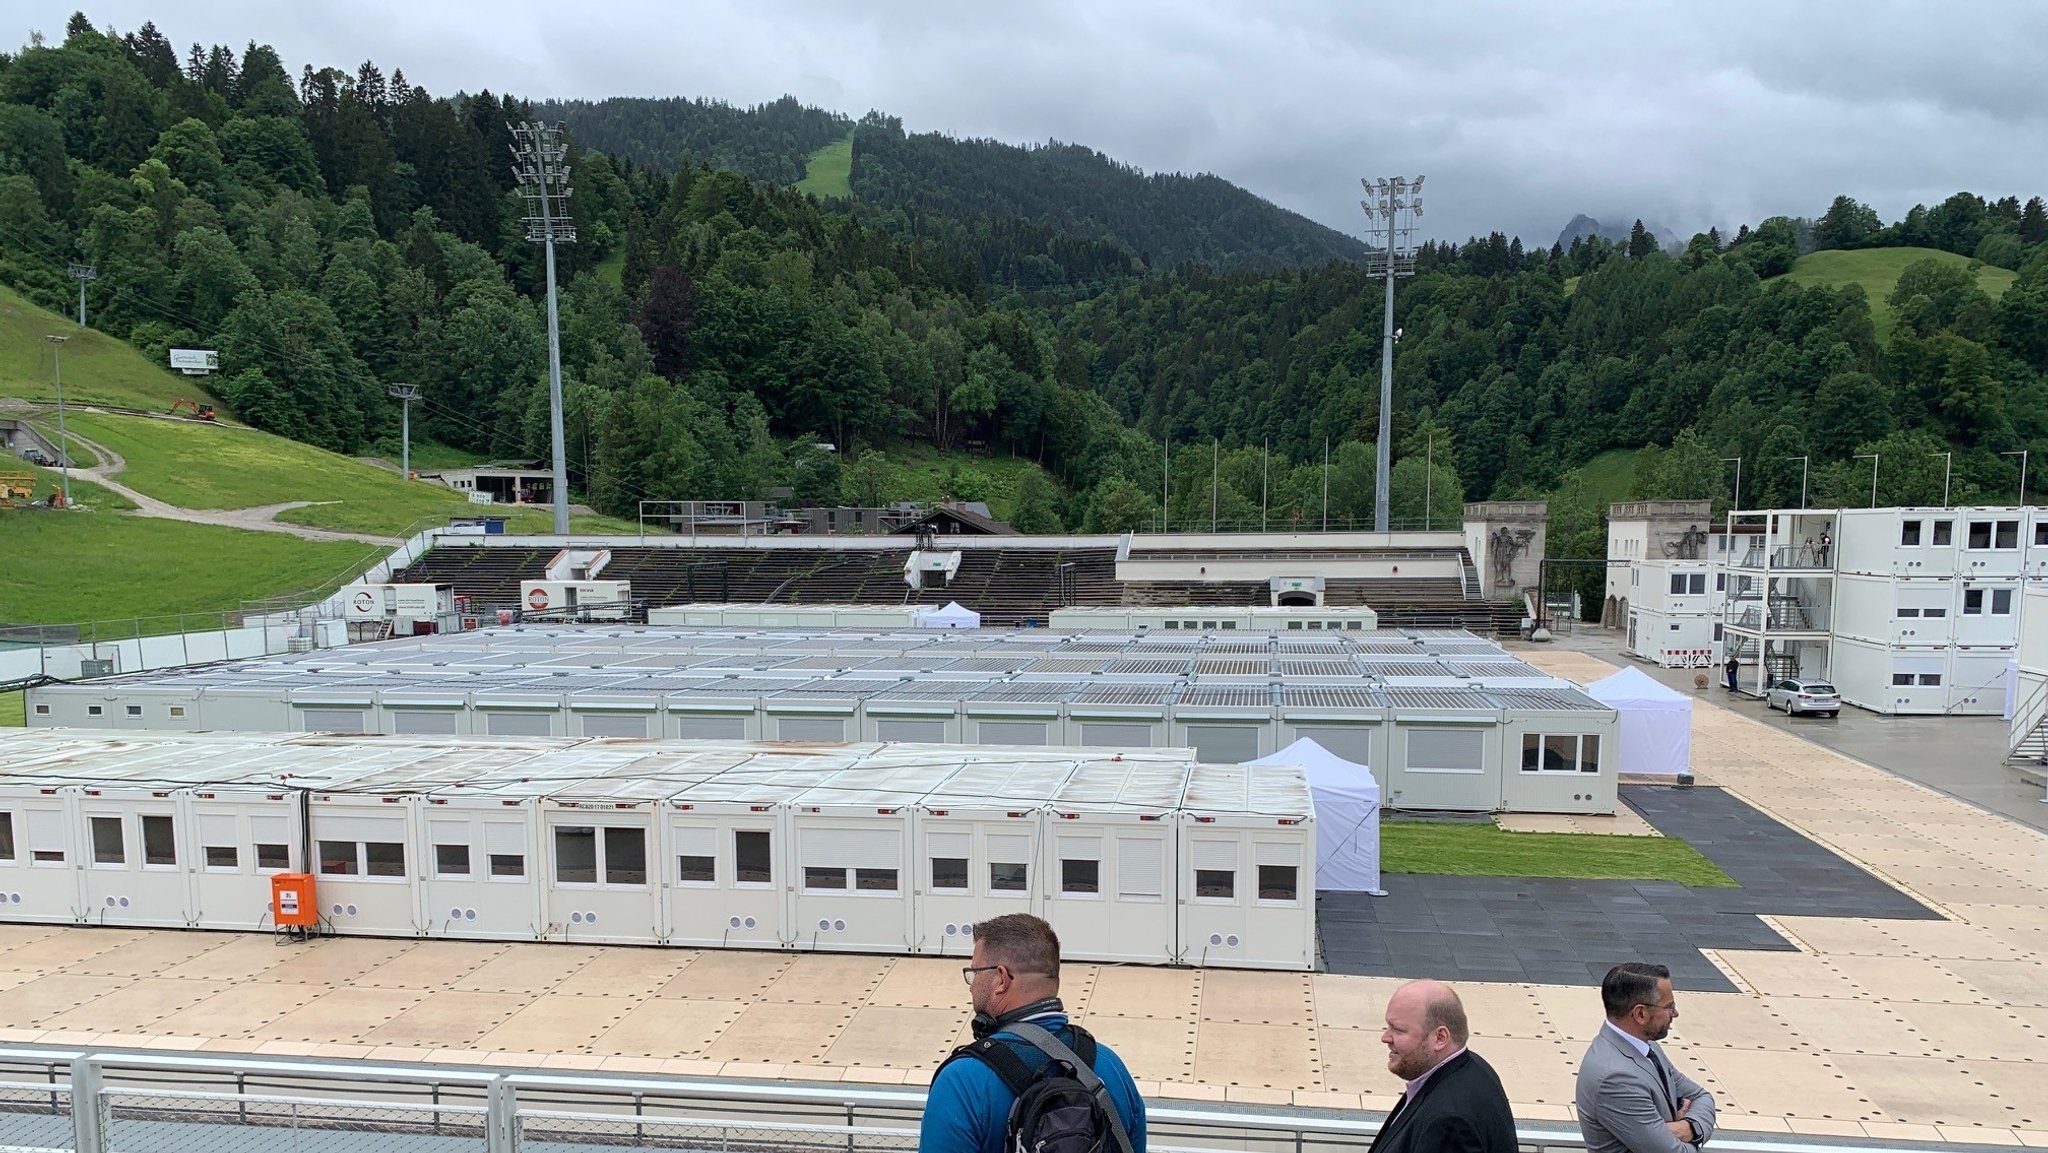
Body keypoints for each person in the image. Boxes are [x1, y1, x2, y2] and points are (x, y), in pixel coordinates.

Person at [921, 914, 1145, 1153]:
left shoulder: (962, 1081)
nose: (972, 984)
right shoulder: (1111, 1067)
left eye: (975, 972)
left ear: (1001, 979)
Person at [1576, 963, 1718, 1153]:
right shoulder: (1615, 1078)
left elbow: (1701, 1097)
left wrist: (1688, 1128)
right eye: (1669, 1006)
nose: (1675, 1014)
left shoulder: (1649, 1049)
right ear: (1640, 1014)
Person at [1367, 980, 1517, 1153]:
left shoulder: (1448, 1124)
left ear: (1440, 1038)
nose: (1385, 1037)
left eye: (1399, 1030)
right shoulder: (1475, 1067)